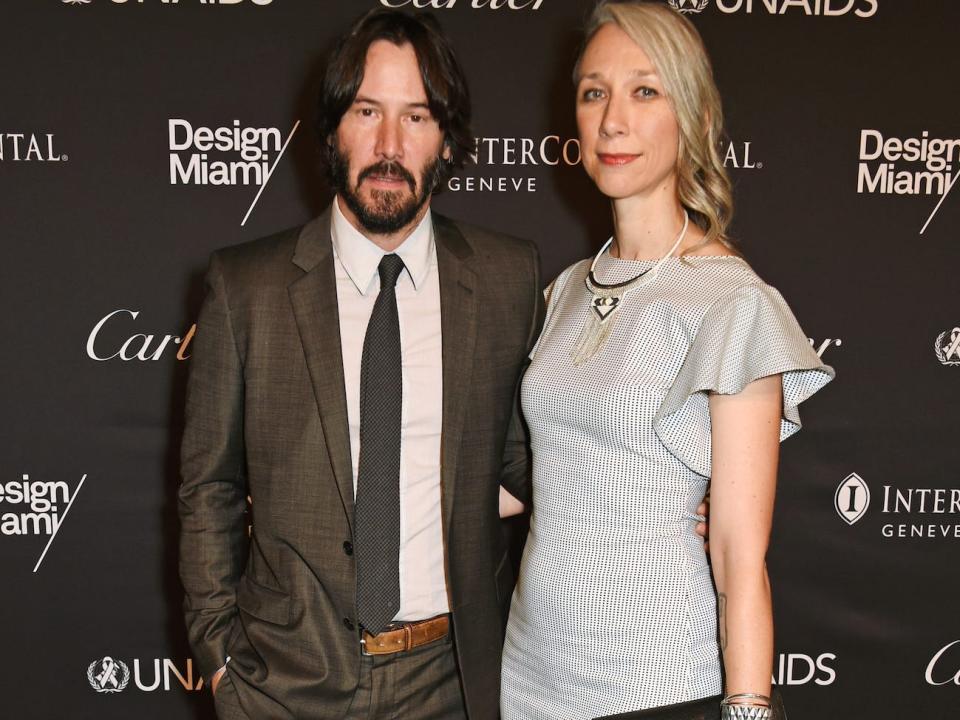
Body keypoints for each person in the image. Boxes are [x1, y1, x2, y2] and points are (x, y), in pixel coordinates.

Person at [177, 9, 544, 720]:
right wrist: (221, 661)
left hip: (453, 682)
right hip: (283, 684)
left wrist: (664, 493)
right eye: (367, 111)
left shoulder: (507, 279)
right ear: (330, 128)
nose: (388, 145)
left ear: (447, 140)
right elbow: (208, 489)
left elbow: (533, 461)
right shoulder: (244, 288)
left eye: (416, 118)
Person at [499, 2, 834, 719]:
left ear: (691, 114)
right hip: (528, 672)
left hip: (653, 676)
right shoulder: (562, 292)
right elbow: (535, 479)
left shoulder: (730, 302)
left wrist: (748, 710)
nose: (613, 119)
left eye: (644, 91)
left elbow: (739, 560)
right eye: (595, 92)